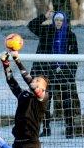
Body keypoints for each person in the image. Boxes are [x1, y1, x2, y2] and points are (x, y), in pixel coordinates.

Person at [28, 10, 80, 138]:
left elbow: (75, 56)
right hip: (47, 71)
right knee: (45, 100)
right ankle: (46, 128)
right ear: (53, 20)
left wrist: (70, 72)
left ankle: (69, 129)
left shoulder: (70, 35)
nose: (58, 22)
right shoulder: (46, 31)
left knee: (67, 100)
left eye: (61, 20)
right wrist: (44, 16)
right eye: (56, 20)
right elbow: (31, 26)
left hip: (64, 72)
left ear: (65, 21)